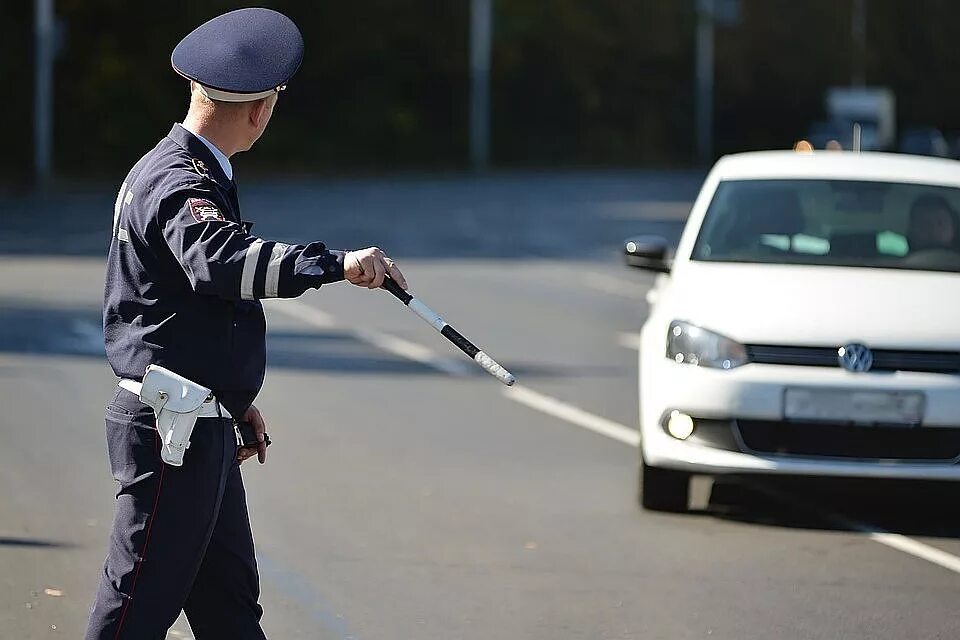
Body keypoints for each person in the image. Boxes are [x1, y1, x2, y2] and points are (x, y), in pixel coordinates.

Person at [85, 9, 406, 639]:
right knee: (133, 611)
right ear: (260, 110)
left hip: (198, 421)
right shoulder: (180, 180)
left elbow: (192, 306)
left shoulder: (191, 171)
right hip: (171, 428)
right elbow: (222, 265)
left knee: (230, 610)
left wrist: (231, 400)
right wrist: (336, 265)